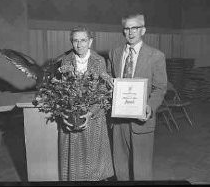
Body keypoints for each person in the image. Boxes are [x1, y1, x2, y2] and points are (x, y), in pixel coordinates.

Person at [107, 13, 167, 180]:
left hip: (142, 121)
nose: (131, 32)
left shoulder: (156, 56)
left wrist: (150, 106)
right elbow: (107, 78)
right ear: (123, 31)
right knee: (120, 167)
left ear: (143, 30)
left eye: (135, 28)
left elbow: (160, 87)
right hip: (118, 121)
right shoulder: (114, 53)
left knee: (142, 169)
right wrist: (109, 84)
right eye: (127, 28)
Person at [58, 26, 114, 181]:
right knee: (75, 168)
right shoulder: (65, 60)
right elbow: (62, 91)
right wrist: (65, 112)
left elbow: (103, 94)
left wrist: (90, 113)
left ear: (90, 42)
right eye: (75, 40)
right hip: (72, 117)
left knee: (93, 167)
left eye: (83, 40)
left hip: (93, 118)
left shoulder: (99, 61)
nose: (79, 44)